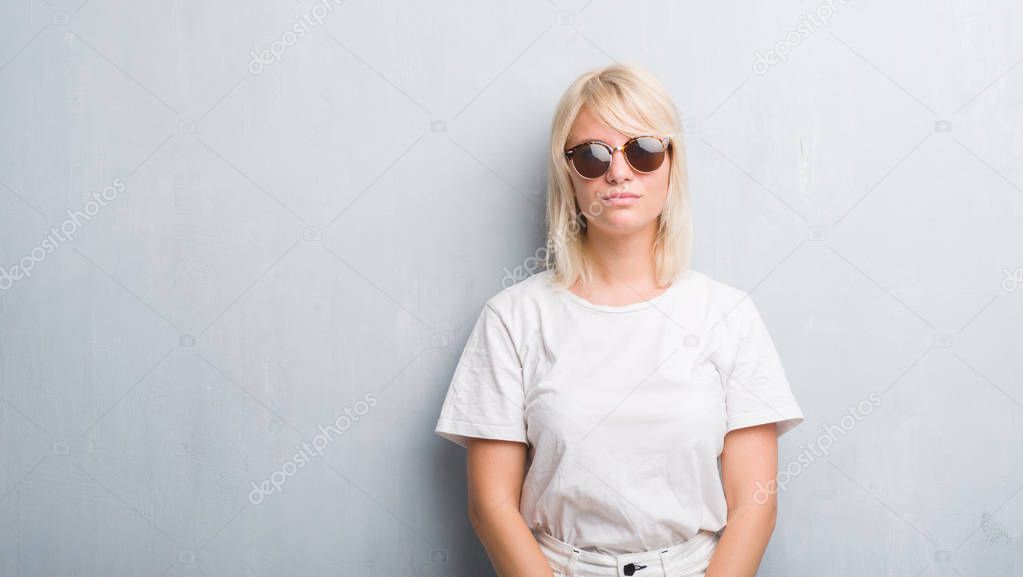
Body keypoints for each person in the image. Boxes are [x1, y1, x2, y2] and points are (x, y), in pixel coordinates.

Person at [434, 63, 805, 577]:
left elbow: (754, 505)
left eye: (643, 150)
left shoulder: (727, 316)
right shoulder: (512, 320)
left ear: (672, 164)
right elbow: (492, 506)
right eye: (592, 155)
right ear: (569, 173)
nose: (619, 172)